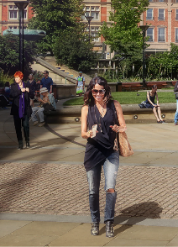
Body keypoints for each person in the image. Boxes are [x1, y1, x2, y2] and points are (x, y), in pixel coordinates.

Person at [80, 76, 127, 238]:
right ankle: (95, 221)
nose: (98, 94)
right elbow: (82, 133)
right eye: (95, 91)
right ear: (91, 91)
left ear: (106, 90)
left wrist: (117, 128)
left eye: (101, 90)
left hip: (110, 152)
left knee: (110, 188)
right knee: (93, 191)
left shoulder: (115, 105)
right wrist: (89, 133)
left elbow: (124, 125)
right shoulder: (87, 108)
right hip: (93, 151)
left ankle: (109, 223)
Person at [10, 71, 32, 149]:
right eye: (15, 77)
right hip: (17, 109)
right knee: (17, 127)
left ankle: (27, 142)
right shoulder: (13, 86)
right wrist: (20, 91)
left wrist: (29, 91)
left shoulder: (26, 85)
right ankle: (20, 143)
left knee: (26, 126)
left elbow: (32, 95)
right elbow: (12, 95)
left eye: (17, 77)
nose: (16, 79)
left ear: (21, 78)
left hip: (25, 109)